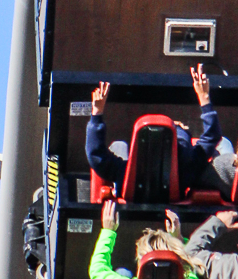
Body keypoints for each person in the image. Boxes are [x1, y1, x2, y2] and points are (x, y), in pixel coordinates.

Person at [86, 65, 222, 198]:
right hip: (174, 208)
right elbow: (212, 136)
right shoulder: (186, 169)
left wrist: (96, 114)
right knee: (221, 145)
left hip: (130, 201)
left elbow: (95, 154)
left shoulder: (126, 172)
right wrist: (204, 98)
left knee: (119, 145)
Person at [89, 201, 204, 279]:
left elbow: (97, 269)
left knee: (122, 272)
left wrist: (108, 231)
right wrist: (178, 239)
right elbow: (190, 266)